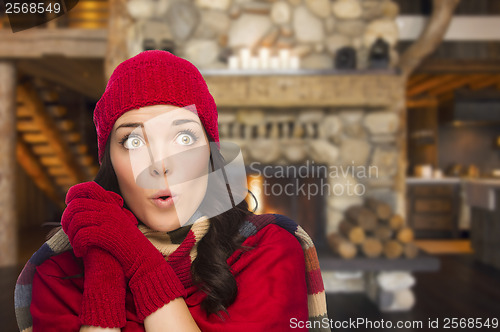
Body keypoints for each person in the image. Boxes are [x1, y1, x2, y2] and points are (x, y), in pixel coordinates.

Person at [14, 50, 329, 332]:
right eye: (134, 142)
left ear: (210, 153)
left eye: (184, 139)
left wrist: (139, 261)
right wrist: (104, 272)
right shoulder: (57, 273)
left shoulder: (270, 250)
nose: (160, 165)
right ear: (110, 162)